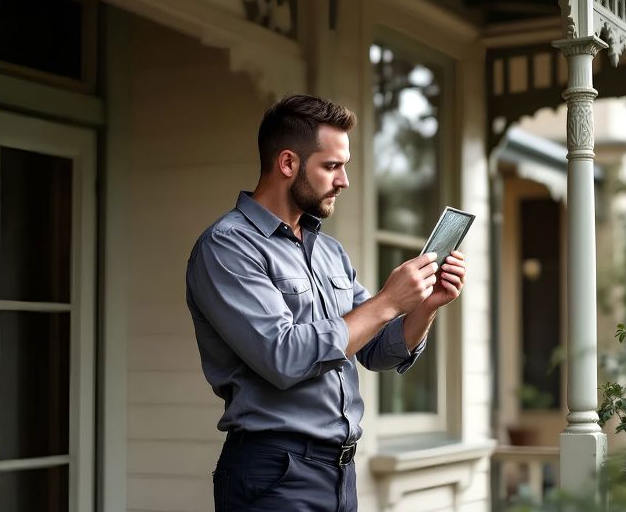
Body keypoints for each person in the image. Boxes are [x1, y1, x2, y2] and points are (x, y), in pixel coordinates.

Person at [185, 94, 467, 511]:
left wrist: (425, 306)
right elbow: (282, 356)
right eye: (332, 166)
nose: (344, 180)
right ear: (287, 164)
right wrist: (389, 301)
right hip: (275, 474)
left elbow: (376, 349)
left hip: (340, 475)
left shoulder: (329, 252)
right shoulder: (228, 247)